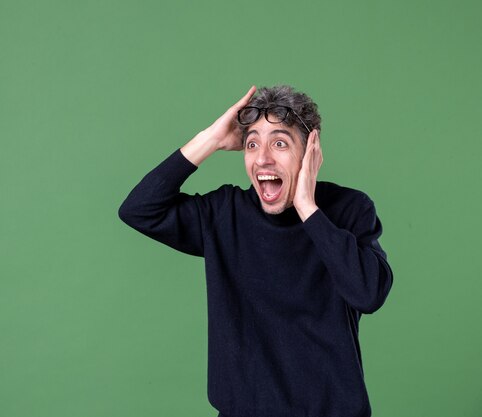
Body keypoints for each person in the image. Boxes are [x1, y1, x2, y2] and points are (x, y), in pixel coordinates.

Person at [118, 85, 393, 417]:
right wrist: (212, 140)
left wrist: (307, 207)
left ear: (309, 152)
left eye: (279, 143)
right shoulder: (224, 214)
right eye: (252, 144)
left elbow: (368, 294)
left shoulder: (349, 209)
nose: (263, 158)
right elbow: (139, 209)